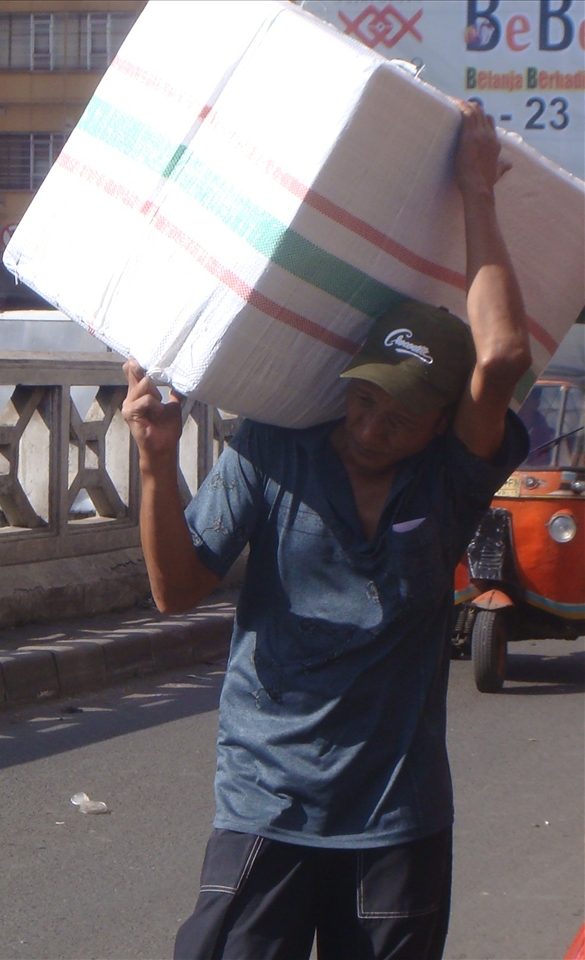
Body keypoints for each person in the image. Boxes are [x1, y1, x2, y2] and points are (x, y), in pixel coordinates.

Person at [121, 101, 531, 960]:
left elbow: (501, 359)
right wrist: (157, 464)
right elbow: (174, 588)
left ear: (439, 427)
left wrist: (475, 189)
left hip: (395, 819)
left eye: (399, 419)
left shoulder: (450, 483)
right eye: (363, 399)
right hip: (266, 803)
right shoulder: (275, 453)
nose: (370, 427)